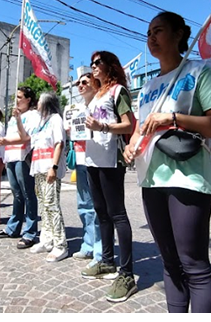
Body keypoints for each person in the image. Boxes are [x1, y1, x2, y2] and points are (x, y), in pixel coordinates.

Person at [124, 12, 211, 310]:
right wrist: (130, 147)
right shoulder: (147, 88)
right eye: (148, 33)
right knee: (170, 263)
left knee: (193, 265)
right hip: (151, 180)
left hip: (188, 178)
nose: (151, 38)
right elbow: (138, 131)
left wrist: (173, 118)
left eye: (158, 31)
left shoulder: (199, 72)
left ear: (178, 35)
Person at [81, 50, 138, 300]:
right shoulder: (97, 94)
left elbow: (129, 124)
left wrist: (102, 126)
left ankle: (126, 272)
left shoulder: (118, 91)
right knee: (100, 211)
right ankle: (106, 260)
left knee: (117, 214)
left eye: (97, 62)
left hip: (111, 158)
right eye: (92, 63)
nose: (93, 66)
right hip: (92, 157)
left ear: (109, 65)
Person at [21, 91, 67, 261]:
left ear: (47, 103)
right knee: (43, 205)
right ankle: (47, 240)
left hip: (49, 168)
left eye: (40, 101)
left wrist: (53, 167)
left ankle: (60, 244)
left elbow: (59, 143)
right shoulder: (40, 121)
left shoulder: (55, 119)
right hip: (37, 168)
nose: (37, 104)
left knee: (52, 204)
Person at [0, 86, 39, 245]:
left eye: (20, 97)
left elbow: (26, 138)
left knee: (28, 194)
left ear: (28, 99)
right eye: (16, 97)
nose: (17, 100)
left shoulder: (33, 115)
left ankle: (30, 231)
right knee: (17, 194)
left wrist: (6, 140)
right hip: (11, 157)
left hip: (22, 157)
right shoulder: (13, 117)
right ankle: (13, 227)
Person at [69, 74, 101, 262]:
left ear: (95, 85)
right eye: (78, 83)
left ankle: (99, 249)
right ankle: (87, 244)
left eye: (84, 82)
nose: (80, 85)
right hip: (80, 159)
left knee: (97, 207)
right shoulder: (76, 109)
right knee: (83, 206)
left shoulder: (99, 105)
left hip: (96, 160)